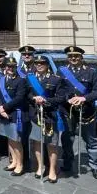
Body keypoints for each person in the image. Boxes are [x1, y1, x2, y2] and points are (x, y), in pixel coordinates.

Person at [58, 46, 97, 180]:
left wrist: (84, 98)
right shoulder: (61, 71)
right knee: (67, 139)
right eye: (71, 56)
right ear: (68, 57)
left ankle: (95, 167)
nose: (73, 58)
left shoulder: (91, 72)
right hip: (68, 111)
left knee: (91, 140)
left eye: (76, 56)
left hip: (86, 112)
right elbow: (58, 90)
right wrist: (68, 98)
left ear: (81, 57)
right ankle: (67, 163)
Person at [27, 55, 67, 183]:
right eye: (37, 63)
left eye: (42, 63)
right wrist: (34, 98)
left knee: (52, 144)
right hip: (35, 115)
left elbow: (61, 98)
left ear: (47, 64)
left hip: (50, 116)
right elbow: (27, 94)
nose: (39, 65)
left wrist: (46, 100)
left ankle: (52, 170)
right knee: (37, 142)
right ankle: (40, 166)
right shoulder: (30, 78)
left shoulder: (56, 79)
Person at [0, 57, 28, 176]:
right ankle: (13, 161)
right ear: (5, 67)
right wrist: (0, 107)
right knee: (9, 138)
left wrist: (4, 108)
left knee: (16, 140)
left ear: (16, 67)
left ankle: (20, 164)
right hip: (3, 113)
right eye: (8, 66)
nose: (10, 68)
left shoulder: (21, 80)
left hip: (14, 114)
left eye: (13, 66)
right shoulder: (2, 79)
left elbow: (19, 98)